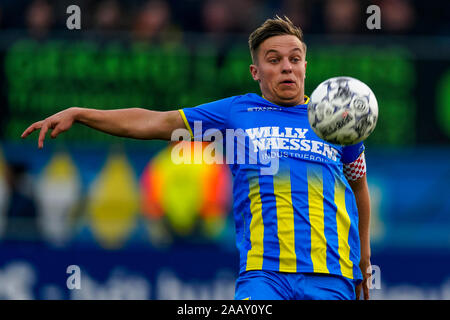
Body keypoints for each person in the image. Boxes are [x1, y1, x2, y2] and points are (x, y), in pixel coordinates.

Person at [21, 16, 372, 300]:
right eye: (274, 60)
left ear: (305, 66)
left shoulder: (335, 120)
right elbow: (154, 121)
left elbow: (359, 189)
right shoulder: (236, 112)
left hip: (331, 274)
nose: (286, 68)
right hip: (264, 274)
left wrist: (364, 258)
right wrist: (83, 113)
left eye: (294, 59)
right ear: (255, 72)